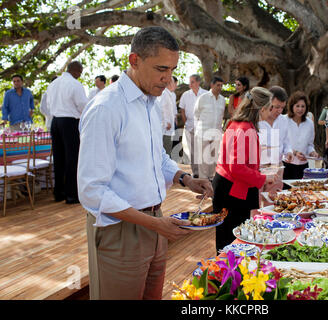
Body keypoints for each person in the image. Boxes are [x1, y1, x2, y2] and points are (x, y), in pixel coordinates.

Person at [77, 26, 213, 300]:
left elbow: (156, 158)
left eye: (173, 70)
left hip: (155, 220)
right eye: (161, 68)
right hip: (121, 230)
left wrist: (184, 179)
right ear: (134, 60)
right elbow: (92, 190)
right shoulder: (106, 107)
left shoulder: (151, 101)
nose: (168, 78)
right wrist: (152, 224)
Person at [213, 86, 275, 252]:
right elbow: (237, 168)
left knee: (230, 238)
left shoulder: (239, 124)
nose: (271, 112)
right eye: (270, 108)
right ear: (261, 108)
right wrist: (262, 178)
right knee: (230, 241)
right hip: (231, 190)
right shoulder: (244, 128)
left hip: (230, 186)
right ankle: (225, 276)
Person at [46, 61, 88, 204]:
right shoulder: (75, 84)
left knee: (58, 159)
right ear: (76, 71)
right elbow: (83, 105)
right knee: (72, 158)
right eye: (80, 73)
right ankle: (71, 195)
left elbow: (46, 105)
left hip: (55, 122)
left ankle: (59, 193)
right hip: (69, 122)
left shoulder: (53, 84)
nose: (80, 76)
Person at [258, 86, 293, 196]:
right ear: (268, 103)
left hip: (277, 167)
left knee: (273, 202)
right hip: (259, 168)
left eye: (282, 107)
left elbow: (286, 142)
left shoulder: (284, 120)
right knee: (255, 202)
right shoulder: (257, 121)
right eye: (276, 107)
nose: (279, 110)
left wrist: (289, 152)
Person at [194, 76, 226, 181]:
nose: (220, 87)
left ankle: (212, 179)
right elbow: (196, 114)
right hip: (203, 132)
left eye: (221, 85)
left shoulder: (222, 100)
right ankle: (203, 180)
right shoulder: (203, 98)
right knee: (203, 158)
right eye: (218, 85)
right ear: (212, 85)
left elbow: (221, 116)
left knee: (214, 157)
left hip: (216, 132)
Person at [282, 91, 318, 180]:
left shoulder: (309, 123)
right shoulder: (283, 120)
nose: (300, 109)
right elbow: (280, 144)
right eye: (297, 106)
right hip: (287, 165)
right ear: (292, 106)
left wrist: (312, 152)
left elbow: (310, 144)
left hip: (303, 167)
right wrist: (294, 152)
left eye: (303, 106)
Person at [179, 74, 208, 177]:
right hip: (190, 126)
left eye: (192, 82)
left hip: (203, 127)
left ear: (198, 82)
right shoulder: (185, 95)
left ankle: (204, 173)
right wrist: (185, 121)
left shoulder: (206, 94)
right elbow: (182, 109)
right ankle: (195, 173)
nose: (190, 84)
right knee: (193, 151)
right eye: (189, 82)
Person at [156, 75, 177, 156]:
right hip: (165, 128)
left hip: (169, 128)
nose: (174, 84)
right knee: (165, 151)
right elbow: (160, 109)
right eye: (172, 82)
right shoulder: (164, 94)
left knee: (168, 150)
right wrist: (166, 123)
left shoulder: (170, 94)